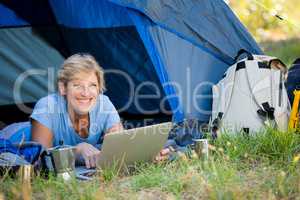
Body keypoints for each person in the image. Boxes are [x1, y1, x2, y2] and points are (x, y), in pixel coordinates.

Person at [30, 54, 123, 168]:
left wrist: (115, 143)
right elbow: (40, 162)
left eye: (92, 85)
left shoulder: (104, 104)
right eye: (77, 85)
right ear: (63, 88)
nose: (86, 93)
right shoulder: (46, 107)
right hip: (15, 137)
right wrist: (75, 151)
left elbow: (120, 148)